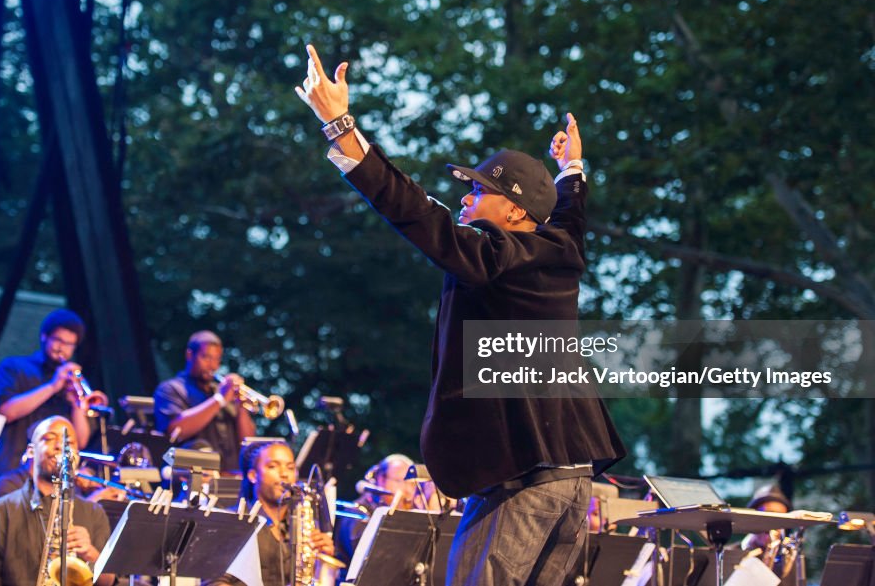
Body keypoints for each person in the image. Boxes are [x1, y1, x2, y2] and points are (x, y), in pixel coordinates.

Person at [295, 44, 626, 585]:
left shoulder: (493, 256)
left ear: (514, 211)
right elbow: (570, 218)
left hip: (523, 474)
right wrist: (571, 170)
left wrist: (340, 127)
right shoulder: (561, 253)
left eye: (479, 191)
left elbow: (413, 211)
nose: (467, 200)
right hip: (574, 478)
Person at [0, 416, 114, 586]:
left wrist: (90, 553)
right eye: (49, 438)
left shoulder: (94, 513)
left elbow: (107, 581)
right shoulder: (0, 511)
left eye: (69, 442)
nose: (60, 446)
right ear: (30, 451)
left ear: (77, 455)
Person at [206, 440, 337, 586]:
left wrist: (321, 561)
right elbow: (215, 582)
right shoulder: (233, 522)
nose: (284, 474)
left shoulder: (302, 525)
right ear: (253, 475)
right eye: (273, 466)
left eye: (290, 467)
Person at [0, 309, 94, 477]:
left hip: (53, 474)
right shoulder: (14, 367)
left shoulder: (71, 381)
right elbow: (6, 412)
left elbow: (80, 441)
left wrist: (76, 406)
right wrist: (52, 387)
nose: (62, 348)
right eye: (58, 340)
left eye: (70, 344)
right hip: (12, 468)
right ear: (44, 336)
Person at [154, 330, 255, 472]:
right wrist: (219, 399)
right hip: (192, 476)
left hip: (232, 474)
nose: (212, 366)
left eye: (217, 359)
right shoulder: (170, 389)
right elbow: (176, 431)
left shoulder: (224, 392)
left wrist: (241, 407)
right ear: (189, 355)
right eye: (206, 357)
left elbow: (248, 444)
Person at [335, 453, 418, 565]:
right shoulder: (357, 511)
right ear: (380, 479)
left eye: (412, 484)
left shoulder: (412, 512)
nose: (407, 490)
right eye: (400, 481)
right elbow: (367, 555)